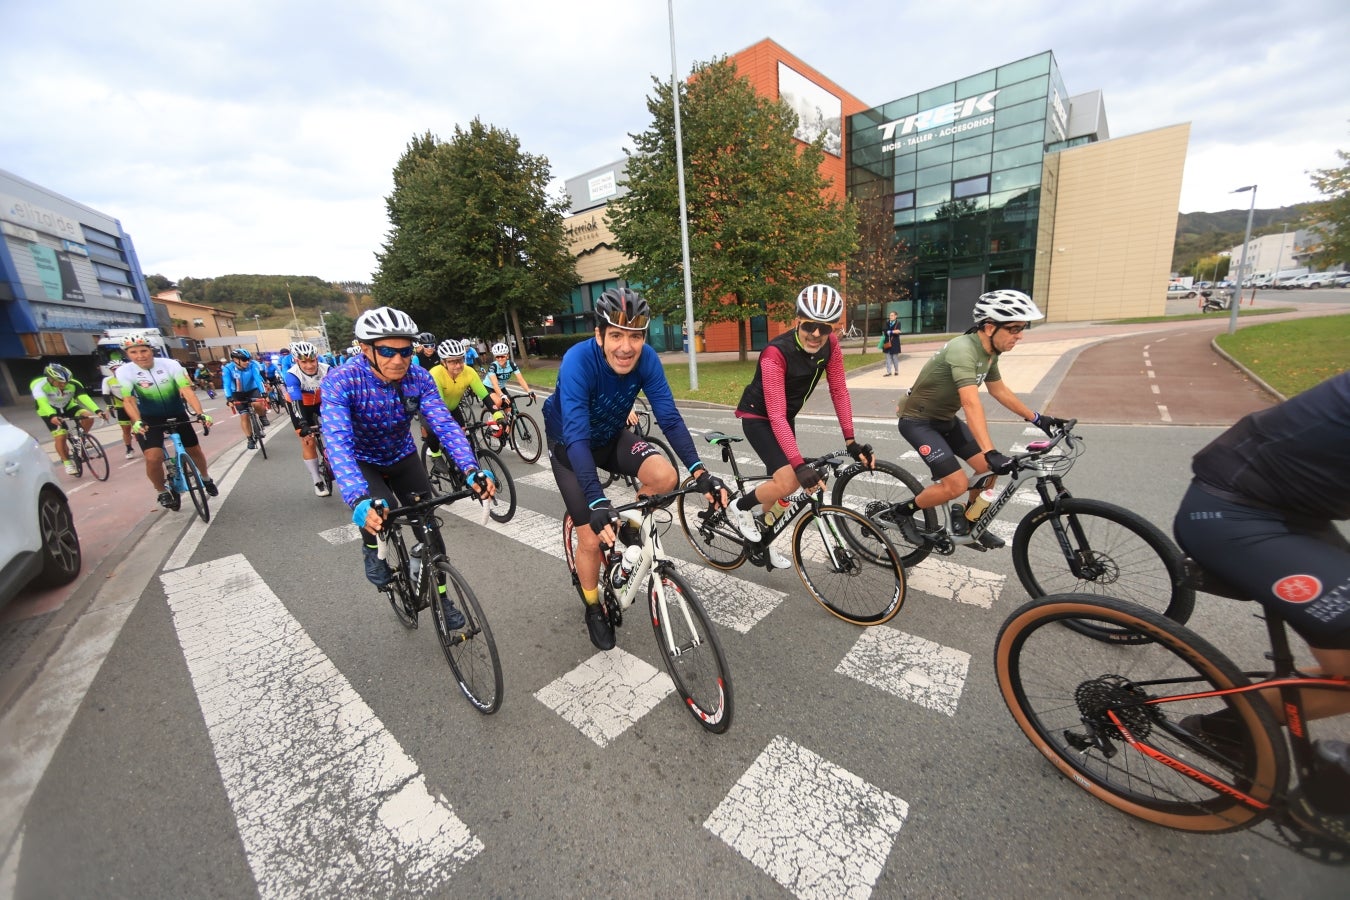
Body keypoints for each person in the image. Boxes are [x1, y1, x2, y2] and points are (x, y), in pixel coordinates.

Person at [1173, 370, 1350, 844]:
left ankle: (1235, 728)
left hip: (1297, 514)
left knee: (1345, 672)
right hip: (1233, 511)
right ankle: (1319, 795)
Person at [543, 287, 728, 651]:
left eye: (635, 336)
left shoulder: (647, 360)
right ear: (599, 335)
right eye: (616, 335)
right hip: (570, 446)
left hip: (610, 437)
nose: (626, 347)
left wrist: (699, 472)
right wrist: (596, 501)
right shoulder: (578, 361)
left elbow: (669, 418)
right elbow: (577, 437)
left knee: (666, 476)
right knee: (590, 537)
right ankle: (593, 606)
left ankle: (629, 528)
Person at [320, 306, 495, 629]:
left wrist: (472, 469)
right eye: (388, 351)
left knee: (430, 530)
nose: (399, 359)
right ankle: (372, 549)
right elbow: (338, 442)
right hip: (363, 461)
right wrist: (357, 497)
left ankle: (442, 599)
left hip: (402, 456)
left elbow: (444, 424)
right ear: (366, 349)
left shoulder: (418, 378)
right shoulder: (341, 381)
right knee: (379, 510)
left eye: (405, 351)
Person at [893, 289, 1068, 550]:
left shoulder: (989, 352)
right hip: (918, 421)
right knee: (956, 485)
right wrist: (990, 451)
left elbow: (999, 390)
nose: (1020, 335)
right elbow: (970, 403)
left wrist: (1037, 418)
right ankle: (900, 512)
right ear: (989, 327)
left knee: (988, 469)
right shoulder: (963, 349)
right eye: (1014, 329)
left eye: (1022, 328)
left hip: (944, 419)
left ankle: (968, 522)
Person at [729, 284, 875, 570]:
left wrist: (851, 440)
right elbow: (775, 414)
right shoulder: (775, 353)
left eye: (825, 328)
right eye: (809, 325)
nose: (816, 334)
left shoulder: (831, 346)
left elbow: (839, 391)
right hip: (760, 417)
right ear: (797, 320)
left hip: (785, 416)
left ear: (833, 328)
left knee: (782, 488)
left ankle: (764, 540)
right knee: (788, 481)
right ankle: (741, 507)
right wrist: (798, 465)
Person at [115, 333, 217, 509]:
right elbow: (128, 400)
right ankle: (161, 491)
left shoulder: (170, 365)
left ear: (151, 350)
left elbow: (186, 391)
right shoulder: (124, 371)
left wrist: (200, 414)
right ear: (127, 354)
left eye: (143, 351)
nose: (140, 356)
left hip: (176, 412)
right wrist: (137, 421)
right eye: (133, 352)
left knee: (194, 449)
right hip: (149, 418)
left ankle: (205, 478)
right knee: (153, 457)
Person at [423, 339, 502, 463]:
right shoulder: (435, 374)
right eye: (452, 361)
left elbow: (485, 396)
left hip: (453, 407)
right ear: (443, 362)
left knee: (465, 438)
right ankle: (436, 455)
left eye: (460, 360)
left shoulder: (469, 372)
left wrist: (498, 415)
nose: (458, 365)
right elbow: (439, 406)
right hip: (433, 409)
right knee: (432, 431)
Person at [30, 363, 105, 475]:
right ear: (50, 379)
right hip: (48, 410)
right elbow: (42, 402)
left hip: (67, 406)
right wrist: (52, 415)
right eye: (60, 382)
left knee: (87, 416)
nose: (64, 384)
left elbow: (84, 397)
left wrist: (98, 411)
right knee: (61, 436)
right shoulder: (38, 385)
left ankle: (81, 439)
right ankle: (67, 463)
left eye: (66, 382)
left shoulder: (74, 383)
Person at [282, 341, 332, 496]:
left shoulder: (327, 369)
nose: (309, 365)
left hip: (321, 402)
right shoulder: (292, 375)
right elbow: (296, 402)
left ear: (317, 358)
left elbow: (337, 394)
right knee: (308, 440)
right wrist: (303, 423)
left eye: (312, 361)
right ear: (297, 361)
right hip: (301, 405)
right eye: (304, 362)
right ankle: (317, 481)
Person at [220, 348, 271, 449]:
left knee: (257, 404)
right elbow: (226, 384)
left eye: (248, 359)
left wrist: (264, 393)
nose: (247, 362)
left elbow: (257, 379)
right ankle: (250, 439)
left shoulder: (252, 365)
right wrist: (229, 398)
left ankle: (262, 417)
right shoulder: (228, 369)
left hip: (252, 389)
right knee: (244, 416)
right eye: (244, 360)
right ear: (235, 360)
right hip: (237, 393)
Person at [484, 341, 535, 438]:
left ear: (507, 356)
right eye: (497, 357)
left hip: (501, 388)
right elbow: (495, 384)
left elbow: (520, 379)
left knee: (510, 410)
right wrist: (501, 395)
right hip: (489, 387)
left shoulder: (512, 365)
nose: (500, 359)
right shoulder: (493, 366)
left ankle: (505, 431)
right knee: (498, 401)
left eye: (502, 356)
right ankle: (492, 416)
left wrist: (528, 391)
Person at [100, 364, 136, 458]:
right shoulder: (107, 380)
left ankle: (145, 445)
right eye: (114, 369)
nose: (116, 370)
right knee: (126, 429)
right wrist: (109, 405)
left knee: (138, 427)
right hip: (121, 407)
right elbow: (105, 394)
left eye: (118, 368)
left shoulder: (130, 377)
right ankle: (129, 448)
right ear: (111, 370)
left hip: (134, 406)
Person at [881, 310, 903, 376]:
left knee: (894, 358)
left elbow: (898, 331)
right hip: (887, 342)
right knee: (888, 358)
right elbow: (884, 330)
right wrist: (893, 331)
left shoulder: (898, 323)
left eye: (892, 315)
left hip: (895, 342)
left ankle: (896, 371)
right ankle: (888, 372)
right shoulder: (887, 322)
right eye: (890, 315)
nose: (890, 317)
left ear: (896, 316)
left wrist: (891, 332)